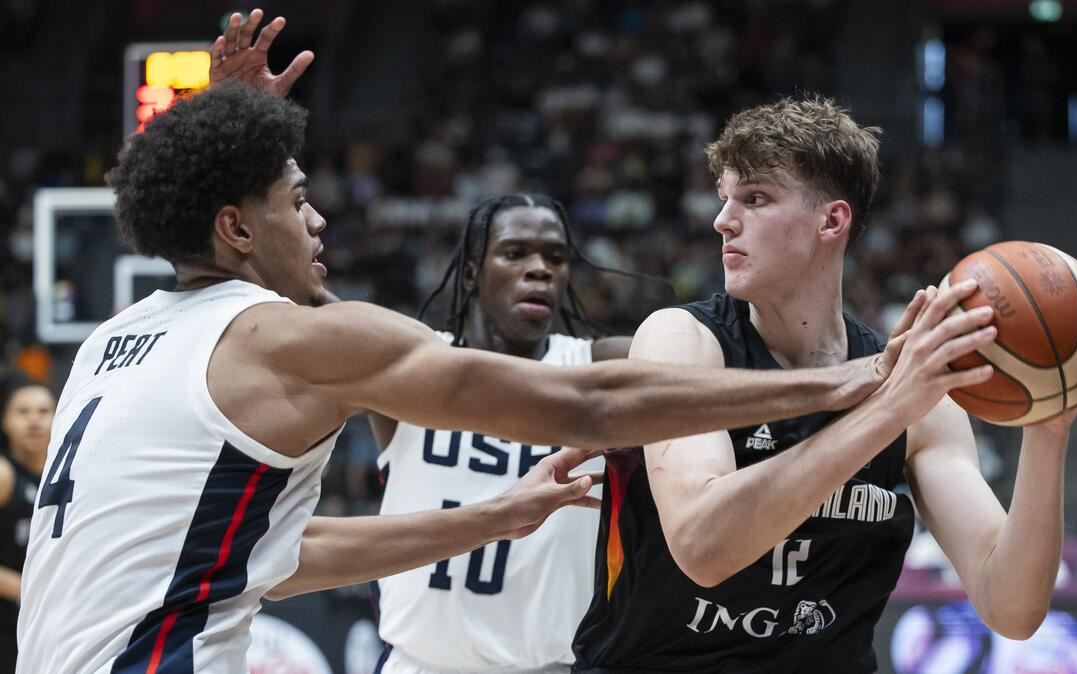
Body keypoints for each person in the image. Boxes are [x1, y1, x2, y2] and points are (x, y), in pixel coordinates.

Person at [15, 79, 990, 674]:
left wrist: (490, 515)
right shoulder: (293, 341)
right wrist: (854, 382)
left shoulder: (117, 339)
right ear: (233, 225)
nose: (321, 223)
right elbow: (587, 402)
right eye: (295, 199)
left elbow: (279, 556)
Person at [572, 95, 1077, 672]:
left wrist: (1049, 426)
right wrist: (886, 408)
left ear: (831, 220)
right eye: (725, 198)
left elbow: (1012, 608)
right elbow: (704, 547)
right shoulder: (682, 340)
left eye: (755, 199)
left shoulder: (921, 399)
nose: (723, 220)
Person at [369, 193, 632, 673]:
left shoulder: (600, 369)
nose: (541, 269)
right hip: (421, 664)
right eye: (515, 253)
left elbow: (704, 355)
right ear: (472, 272)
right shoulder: (411, 366)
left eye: (556, 257)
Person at [0, 382, 54, 674]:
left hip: (45, 624)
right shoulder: (4, 474)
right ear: (6, 421)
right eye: (23, 412)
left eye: (44, 411)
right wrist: (28, 588)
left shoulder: (66, 473)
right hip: (7, 624)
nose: (34, 420)